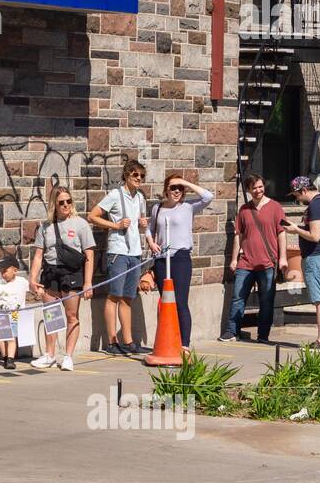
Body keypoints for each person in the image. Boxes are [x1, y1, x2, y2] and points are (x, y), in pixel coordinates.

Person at [87, 158, 150, 356]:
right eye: (135, 175)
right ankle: (111, 341)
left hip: (135, 252)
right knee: (114, 295)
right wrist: (115, 225)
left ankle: (128, 341)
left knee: (128, 298)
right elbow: (93, 215)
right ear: (126, 175)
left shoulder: (140, 197)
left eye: (141, 175)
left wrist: (142, 225)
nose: (138, 178)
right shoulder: (115, 195)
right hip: (118, 252)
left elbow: (140, 223)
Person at [29, 185, 95, 371]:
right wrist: (32, 278)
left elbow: (89, 255)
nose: (66, 205)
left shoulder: (80, 224)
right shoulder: (45, 227)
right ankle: (50, 355)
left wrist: (88, 282)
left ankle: (68, 356)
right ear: (54, 205)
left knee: (71, 316)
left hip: (72, 273)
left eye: (69, 201)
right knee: (51, 315)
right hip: (51, 273)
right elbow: (38, 255)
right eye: (61, 202)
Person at [146, 175, 214, 350]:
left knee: (181, 301)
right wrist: (151, 242)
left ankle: (184, 344)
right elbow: (149, 229)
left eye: (180, 188)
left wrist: (186, 183)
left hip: (181, 258)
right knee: (166, 301)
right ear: (166, 190)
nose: (177, 191)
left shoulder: (188, 207)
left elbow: (208, 197)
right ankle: (167, 340)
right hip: (162, 259)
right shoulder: (157, 208)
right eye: (173, 187)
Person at [222, 173, 287, 343]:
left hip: (267, 262)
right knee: (237, 297)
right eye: (254, 188)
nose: (258, 190)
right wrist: (234, 259)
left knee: (266, 300)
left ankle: (263, 335)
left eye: (260, 187)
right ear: (248, 190)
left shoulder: (275, 207)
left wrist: (283, 258)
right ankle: (231, 331)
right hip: (246, 262)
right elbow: (239, 236)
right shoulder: (244, 210)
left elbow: (282, 233)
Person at [284, 176, 320, 350]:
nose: (297, 199)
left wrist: (295, 229)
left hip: (316, 257)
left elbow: (315, 236)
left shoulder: (316, 206)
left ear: (304, 190)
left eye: (297, 195)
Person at [0, 256, 30, 370]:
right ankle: (5, 356)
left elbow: (31, 289)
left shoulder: (22, 282)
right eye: (1, 272)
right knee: (1, 338)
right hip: (0, 314)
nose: (3, 274)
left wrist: (39, 291)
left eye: (5, 271)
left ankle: (10, 359)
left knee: (11, 337)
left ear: (15, 270)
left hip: (14, 315)